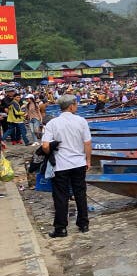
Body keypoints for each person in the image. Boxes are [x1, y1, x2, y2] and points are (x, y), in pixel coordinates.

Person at [41, 95, 91, 237]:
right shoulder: (81, 121)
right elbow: (87, 143)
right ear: (71, 106)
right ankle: (83, 224)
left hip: (60, 165)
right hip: (78, 163)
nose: (76, 106)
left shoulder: (52, 123)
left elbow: (45, 146)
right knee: (80, 194)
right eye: (76, 104)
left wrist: (51, 149)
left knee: (60, 197)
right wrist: (88, 160)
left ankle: (61, 228)